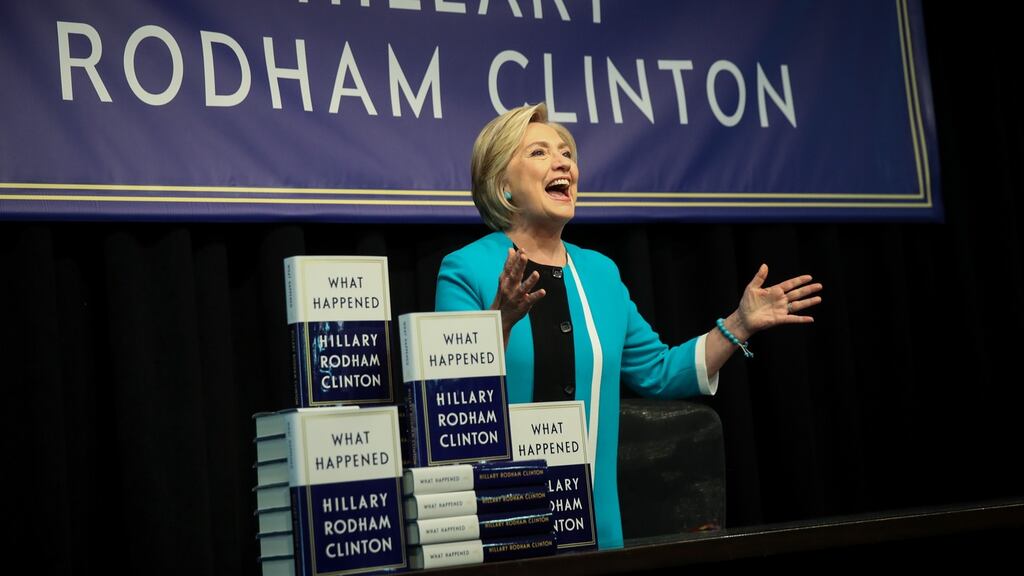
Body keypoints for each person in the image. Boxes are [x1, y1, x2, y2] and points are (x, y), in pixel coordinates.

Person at [435, 103, 822, 549]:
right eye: (539, 152)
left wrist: (739, 323)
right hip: (503, 519)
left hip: (597, 530)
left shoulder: (600, 274)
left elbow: (660, 372)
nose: (563, 163)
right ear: (502, 185)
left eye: (566, 153)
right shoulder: (466, 269)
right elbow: (451, 399)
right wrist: (499, 324)